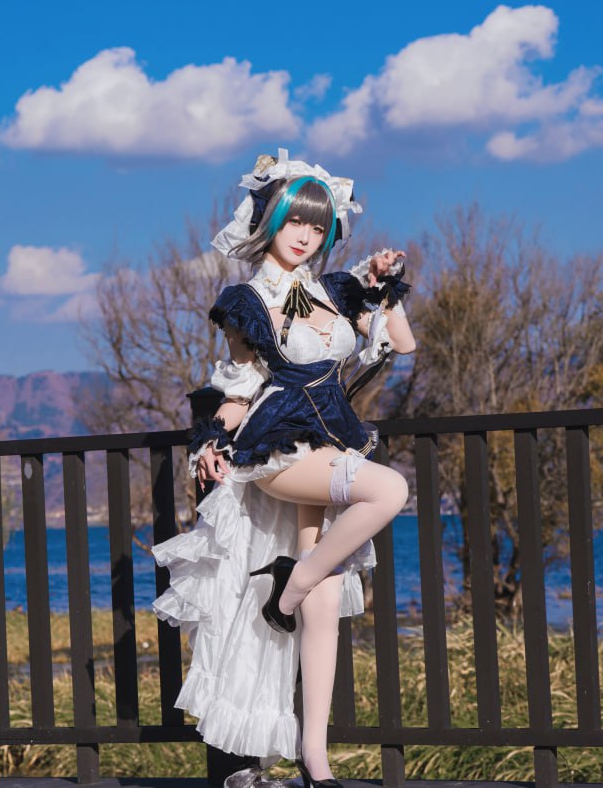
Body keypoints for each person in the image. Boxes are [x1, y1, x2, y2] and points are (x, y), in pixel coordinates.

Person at [152, 150, 415, 788]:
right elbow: (239, 389)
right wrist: (210, 440)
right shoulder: (246, 302)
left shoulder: (335, 290)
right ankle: (290, 586)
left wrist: (386, 285)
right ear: (270, 220)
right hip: (276, 449)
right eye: (295, 220)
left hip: (332, 443)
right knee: (390, 489)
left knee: (325, 598)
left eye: (318, 226)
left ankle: (314, 759)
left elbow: (402, 344)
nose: (305, 235)